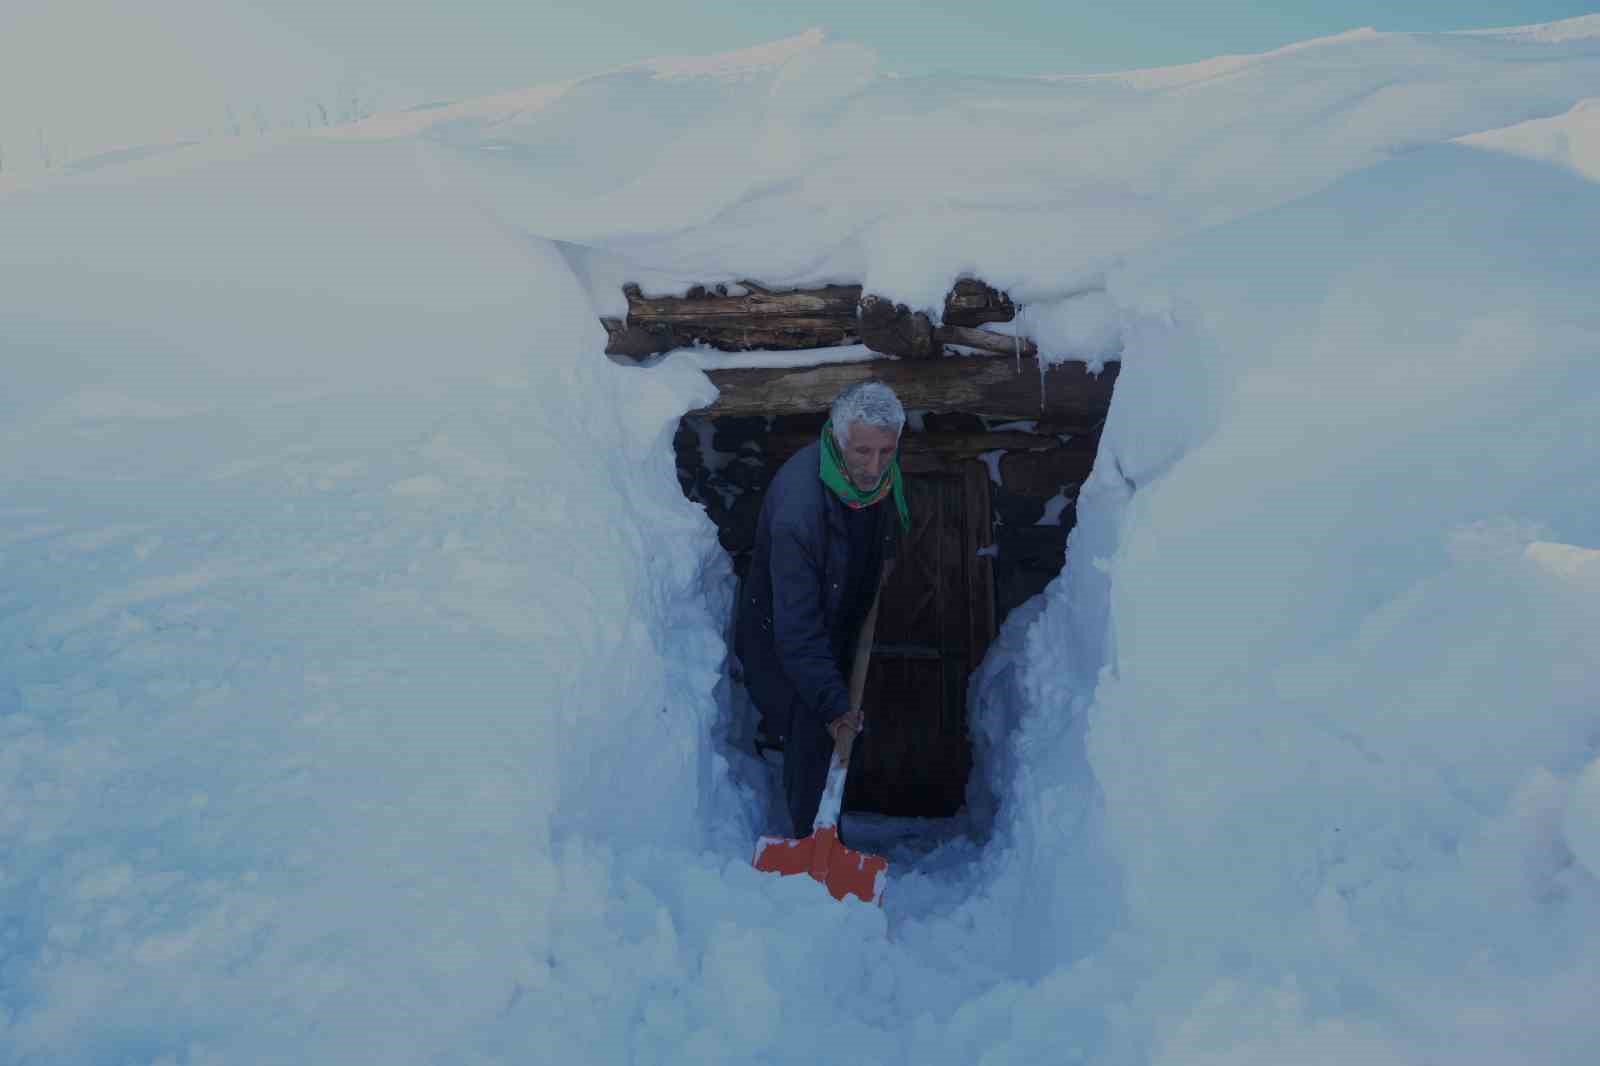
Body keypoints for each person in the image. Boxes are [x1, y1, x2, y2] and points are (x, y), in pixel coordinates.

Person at [735, 380, 911, 838]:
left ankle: (828, 830)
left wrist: (884, 553)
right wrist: (835, 707)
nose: (875, 466)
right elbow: (797, 632)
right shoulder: (801, 512)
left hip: (836, 610)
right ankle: (809, 842)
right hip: (781, 635)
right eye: (863, 452)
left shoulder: (873, 475)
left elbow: (880, 513)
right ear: (836, 440)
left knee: (835, 718)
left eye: (887, 451)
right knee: (812, 730)